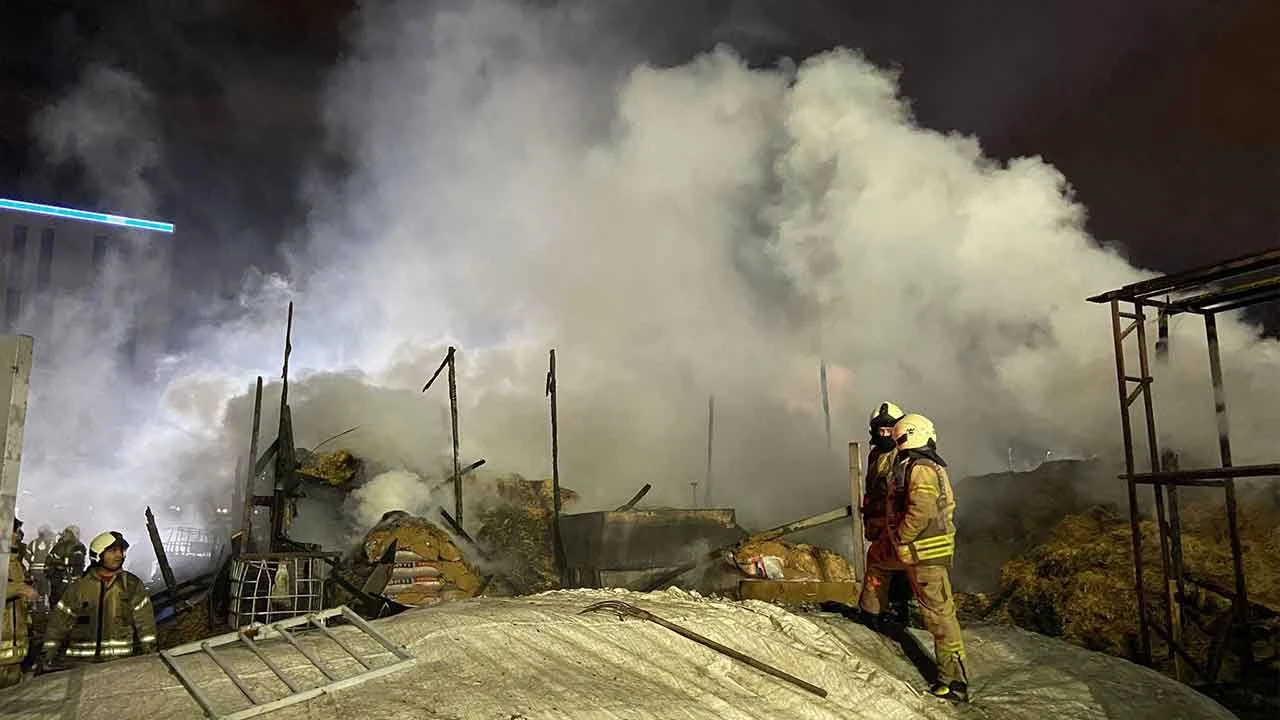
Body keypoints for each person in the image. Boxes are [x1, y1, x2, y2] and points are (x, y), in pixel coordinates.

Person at [857, 413, 968, 703]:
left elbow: (922, 509)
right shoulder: (911, 464)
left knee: (939, 615)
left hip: (924, 554)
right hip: (912, 550)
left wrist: (901, 535)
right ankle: (870, 616)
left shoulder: (921, 469)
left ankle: (954, 681)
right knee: (877, 560)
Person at [41, 531, 157, 667]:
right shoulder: (79, 587)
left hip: (118, 663)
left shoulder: (131, 585)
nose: (119, 555)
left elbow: (146, 624)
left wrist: (151, 656)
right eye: (113, 551)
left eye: (121, 551)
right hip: (79, 666)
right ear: (98, 555)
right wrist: (47, 655)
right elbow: (58, 624)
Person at [860, 401, 914, 624]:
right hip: (879, 521)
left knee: (900, 567)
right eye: (880, 430)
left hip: (896, 522)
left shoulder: (904, 457)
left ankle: (901, 610)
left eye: (889, 430)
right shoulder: (874, 455)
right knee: (880, 567)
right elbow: (871, 488)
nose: (884, 435)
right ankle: (882, 610)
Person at [2, 518, 38, 689]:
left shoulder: (15, 562)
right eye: (12, 530)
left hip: (14, 657)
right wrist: (18, 588)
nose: (17, 535)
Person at [46, 525, 85, 605]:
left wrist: (50, 572)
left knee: (56, 599)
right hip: (66, 579)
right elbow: (78, 564)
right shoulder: (77, 546)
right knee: (66, 601)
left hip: (58, 578)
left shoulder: (59, 545)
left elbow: (49, 560)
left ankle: (55, 614)